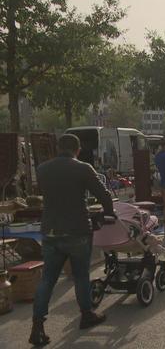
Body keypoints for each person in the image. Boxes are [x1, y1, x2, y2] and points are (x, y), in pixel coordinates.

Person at [30, 134, 116, 345]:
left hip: (50, 230)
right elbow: (103, 194)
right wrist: (109, 212)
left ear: (58, 148)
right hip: (77, 229)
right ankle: (86, 314)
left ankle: (37, 325)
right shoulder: (83, 168)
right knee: (80, 275)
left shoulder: (42, 169)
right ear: (77, 150)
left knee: (48, 279)